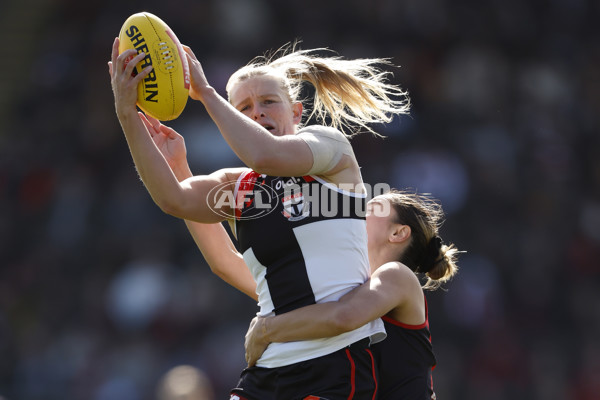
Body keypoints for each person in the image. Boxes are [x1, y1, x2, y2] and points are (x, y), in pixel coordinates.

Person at [109, 38, 411, 400]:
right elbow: (175, 202)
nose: (257, 114)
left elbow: (264, 154)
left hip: (335, 361)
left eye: (268, 102)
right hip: (267, 369)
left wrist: (205, 93)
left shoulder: (331, 150)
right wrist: (130, 118)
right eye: (244, 108)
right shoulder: (238, 187)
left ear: (296, 112)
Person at [243, 190, 461, 399]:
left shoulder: (397, 275)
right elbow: (244, 274)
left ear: (398, 233)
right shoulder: (351, 284)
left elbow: (343, 316)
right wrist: (211, 213)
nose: (356, 213)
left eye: (370, 209)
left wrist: (265, 330)